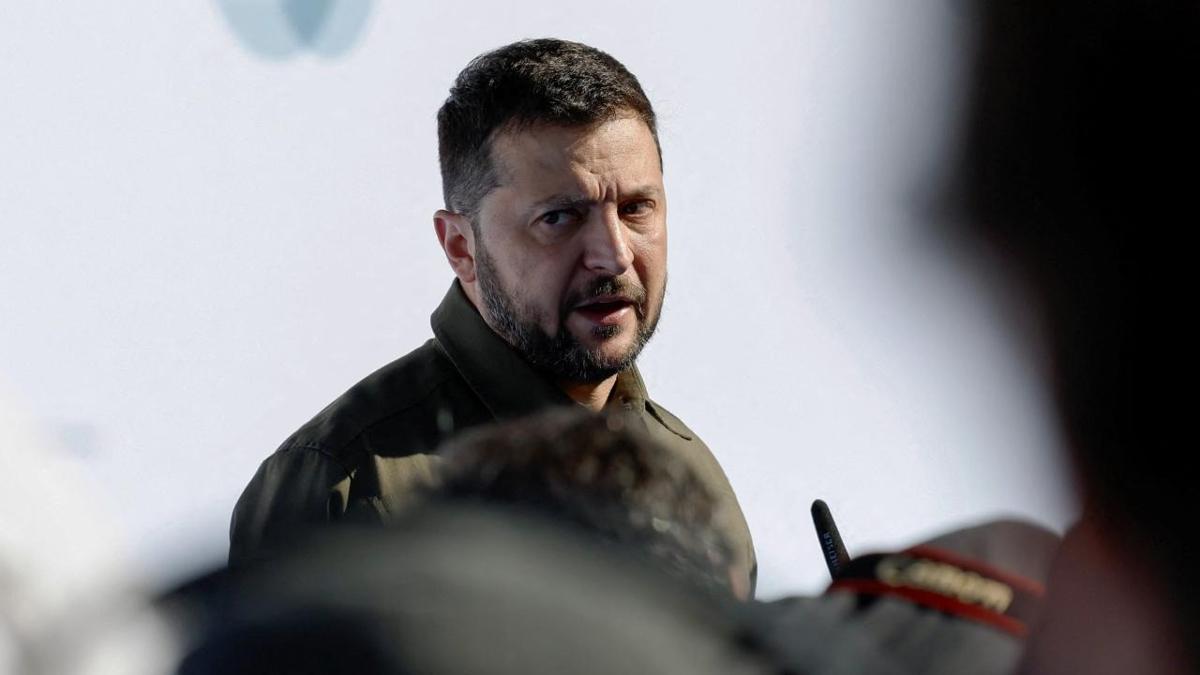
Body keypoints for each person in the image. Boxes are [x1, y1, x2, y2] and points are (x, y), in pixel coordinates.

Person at [228, 38, 755, 591]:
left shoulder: (694, 478)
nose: (614, 254)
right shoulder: (342, 483)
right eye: (560, 218)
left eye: (636, 209)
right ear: (461, 246)